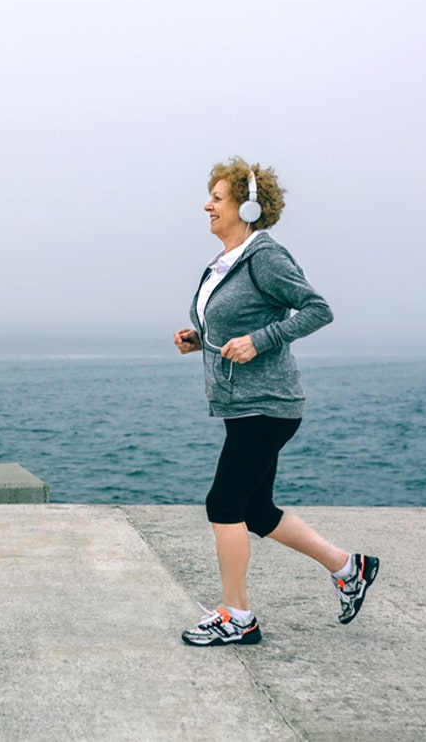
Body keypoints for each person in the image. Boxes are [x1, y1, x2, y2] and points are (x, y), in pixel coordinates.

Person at [173, 156, 379, 647]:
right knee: (257, 510)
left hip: (268, 405)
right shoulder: (224, 261)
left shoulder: (264, 255)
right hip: (242, 404)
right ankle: (350, 568)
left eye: (218, 198)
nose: (207, 205)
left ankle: (237, 616)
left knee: (224, 504)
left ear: (246, 206)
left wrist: (259, 341)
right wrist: (199, 337)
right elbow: (234, 323)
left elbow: (317, 309)